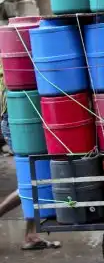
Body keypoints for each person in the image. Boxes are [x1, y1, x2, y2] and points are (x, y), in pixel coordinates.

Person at [0, 71, 61, 250]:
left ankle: (31, 235)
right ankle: (30, 235)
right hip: (20, 122)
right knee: (31, 181)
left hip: (28, 119)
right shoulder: (11, 68)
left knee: (35, 178)